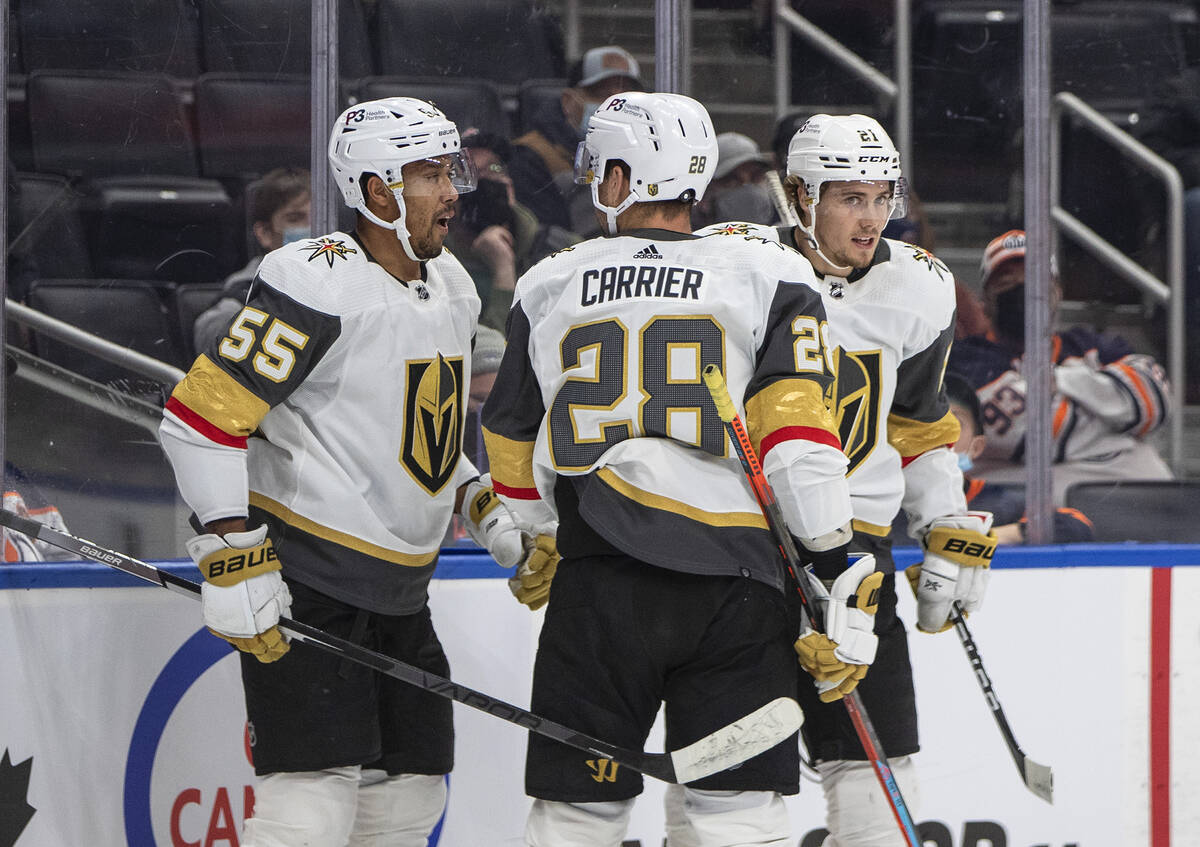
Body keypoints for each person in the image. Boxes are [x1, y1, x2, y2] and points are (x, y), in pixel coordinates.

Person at [482, 92, 882, 846]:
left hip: (601, 587)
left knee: (577, 817)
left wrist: (535, 535)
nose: (592, 179)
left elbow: (507, 438)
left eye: (601, 166)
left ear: (628, 174)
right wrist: (832, 568)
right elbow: (799, 443)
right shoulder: (768, 272)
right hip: (736, 590)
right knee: (738, 818)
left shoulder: (549, 280)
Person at [158, 96, 555, 847]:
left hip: (402, 596)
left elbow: (426, 438)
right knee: (309, 809)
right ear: (377, 190)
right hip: (313, 583)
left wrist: (492, 516)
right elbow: (200, 420)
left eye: (451, 170)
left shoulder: (454, 287)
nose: (452, 192)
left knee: (407, 801)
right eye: (432, 174)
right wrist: (233, 551)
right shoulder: (316, 282)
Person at [700, 113, 998, 846]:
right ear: (799, 195)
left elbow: (920, 422)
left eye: (882, 198)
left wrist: (944, 523)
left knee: (878, 767)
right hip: (743, 553)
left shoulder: (921, 285)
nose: (872, 220)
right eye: (850, 198)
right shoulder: (732, 265)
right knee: (726, 778)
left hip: (859, 556)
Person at [948, 229, 1173, 505]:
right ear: (986, 301)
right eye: (1007, 280)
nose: (1023, 285)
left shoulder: (1091, 345)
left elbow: (1154, 400)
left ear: (1057, 292)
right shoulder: (965, 360)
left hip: (1075, 482)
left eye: (1036, 278)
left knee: (1151, 473)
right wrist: (1116, 431)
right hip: (1006, 495)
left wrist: (1059, 380)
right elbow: (1034, 434)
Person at [936, 372, 1094, 544]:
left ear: (976, 447)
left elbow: (1075, 527)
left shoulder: (1008, 502)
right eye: (922, 425)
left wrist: (986, 538)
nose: (938, 437)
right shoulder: (901, 502)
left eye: (953, 425)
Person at [448, 131, 579, 333]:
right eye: (470, 174)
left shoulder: (562, 249)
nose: (484, 184)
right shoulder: (440, 267)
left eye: (493, 169)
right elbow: (488, 357)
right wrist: (503, 273)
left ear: (509, 185)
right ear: (451, 195)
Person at [508, 45, 643, 237]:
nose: (617, 107)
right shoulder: (529, 156)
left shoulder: (649, 155)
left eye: (626, 98)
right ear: (568, 102)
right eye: (602, 95)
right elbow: (543, 241)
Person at [191, 167, 312, 353]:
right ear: (264, 233)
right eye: (295, 219)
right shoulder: (243, 294)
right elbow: (211, 339)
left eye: (318, 218)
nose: (312, 230)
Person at [691, 131, 777, 230]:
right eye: (732, 179)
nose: (747, 189)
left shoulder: (779, 232)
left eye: (754, 176)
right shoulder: (686, 229)